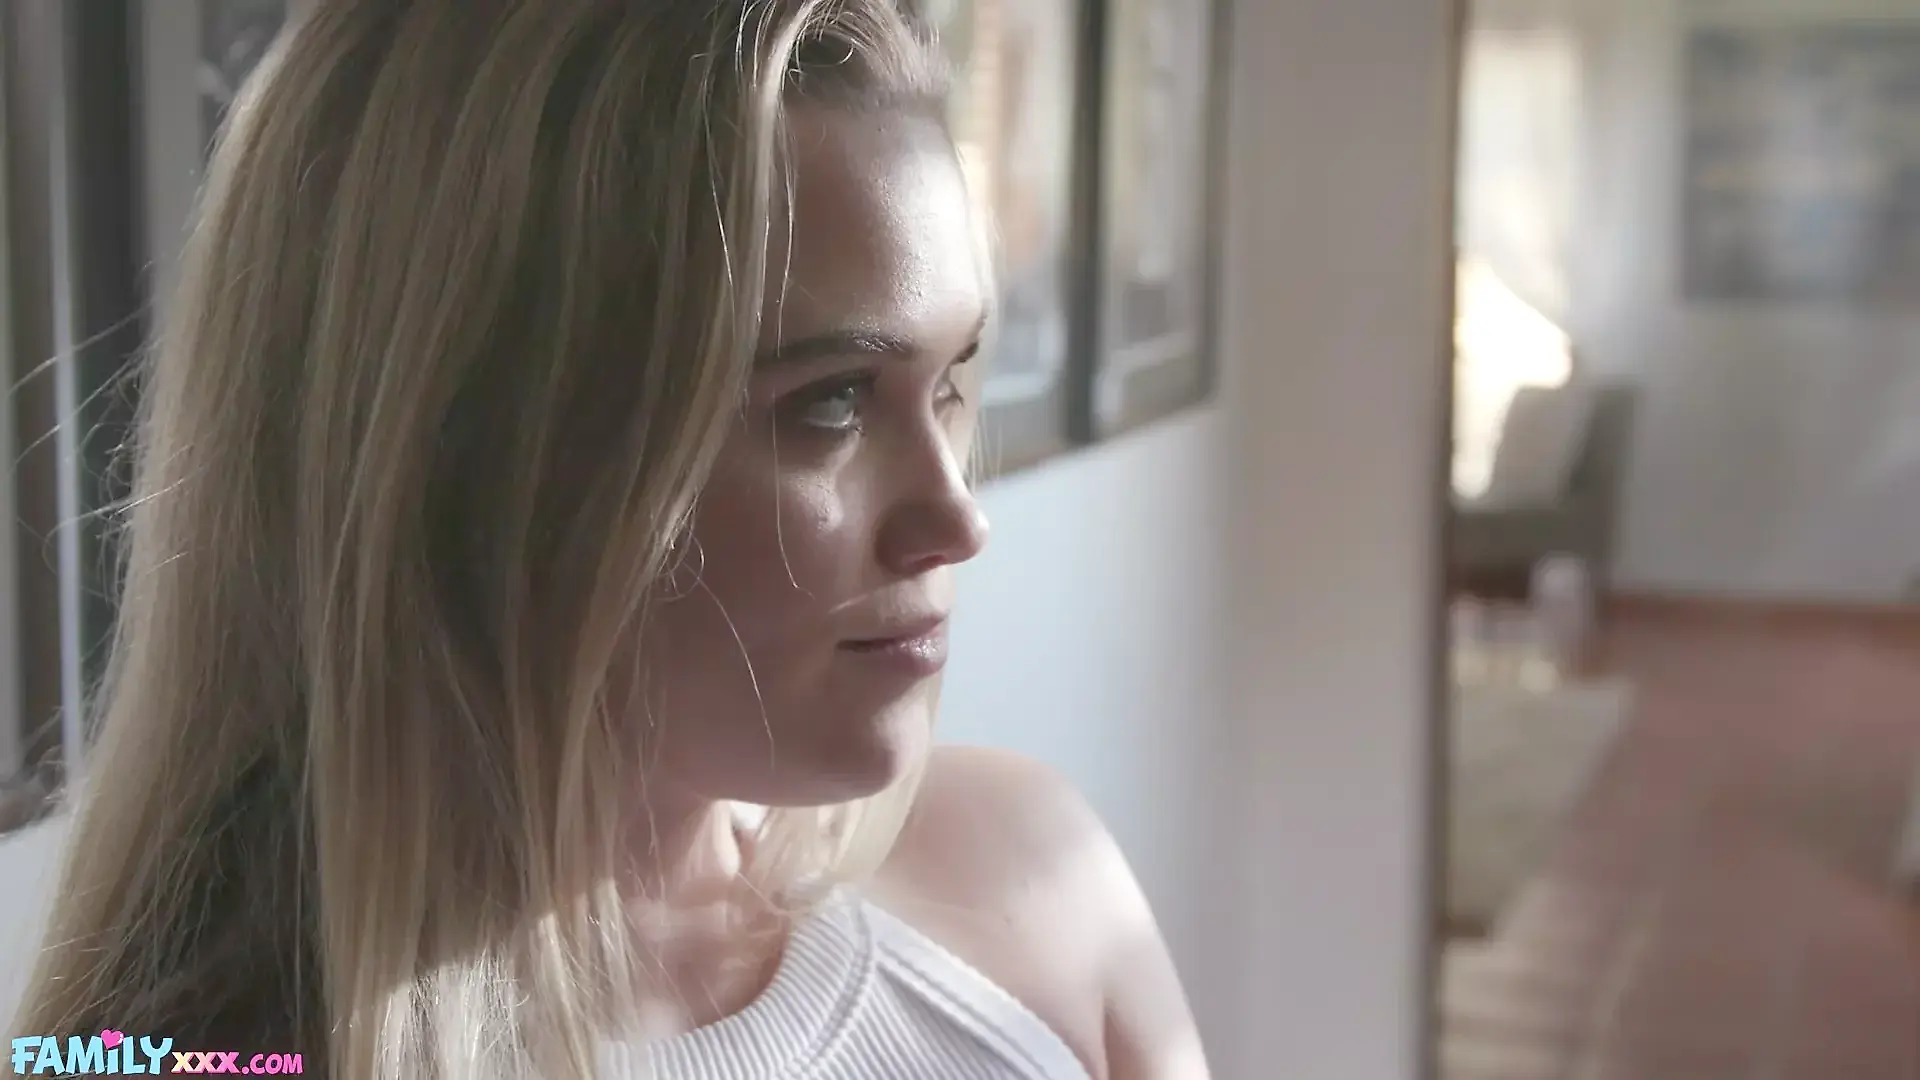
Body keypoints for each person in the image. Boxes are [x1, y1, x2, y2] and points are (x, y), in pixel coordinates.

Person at [13, 2, 1207, 1077]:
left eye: (947, 383)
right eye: (832, 403)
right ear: (479, 452)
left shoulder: (1032, 888)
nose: (956, 519)